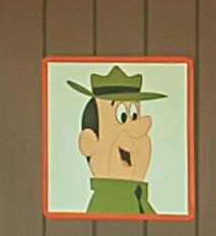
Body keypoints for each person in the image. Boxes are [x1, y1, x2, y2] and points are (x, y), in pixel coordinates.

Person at [67, 65, 170, 215]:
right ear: (89, 143)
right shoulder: (104, 207)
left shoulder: (140, 200)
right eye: (122, 116)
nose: (138, 129)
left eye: (135, 115)